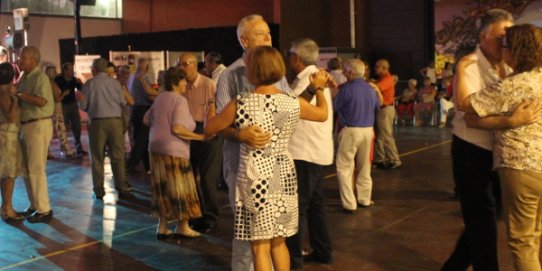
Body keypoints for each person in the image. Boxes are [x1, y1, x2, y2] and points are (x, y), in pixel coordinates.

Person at [206, 45, 328, 271]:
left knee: (259, 246)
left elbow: (210, 127)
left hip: (254, 176)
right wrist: (318, 88)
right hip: (283, 174)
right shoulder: (292, 101)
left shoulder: (241, 102)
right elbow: (322, 114)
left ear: (252, 71)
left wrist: (210, 104)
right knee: (279, 242)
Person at [441, 9, 537, 271]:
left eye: (508, 37)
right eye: (500, 37)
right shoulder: (470, 64)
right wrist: (511, 121)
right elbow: (466, 109)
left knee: (486, 218)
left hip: (499, 153)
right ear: (483, 36)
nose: (505, 42)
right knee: (482, 220)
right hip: (472, 150)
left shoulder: (509, 65)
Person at [215, 14, 291, 271]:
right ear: (244, 40)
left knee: (275, 232)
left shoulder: (276, 72)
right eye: (261, 33)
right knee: (248, 233)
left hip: (275, 168)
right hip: (243, 167)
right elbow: (218, 124)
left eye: (269, 32)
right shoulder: (231, 76)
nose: (268, 37)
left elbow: (289, 108)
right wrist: (239, 134)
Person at [285, 38, 334, 269]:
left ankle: (293, 261)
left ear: (296, 58)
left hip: (304, 152)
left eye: (289, 55)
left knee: (298, 208)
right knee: (315, 206)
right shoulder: (318, 77)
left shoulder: (309, 81)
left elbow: (291, 111)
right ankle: (323, 251)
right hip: (317, 150)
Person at [143, 67, 203, 240]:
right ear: (176, 82)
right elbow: (178, 128)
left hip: (155, 148)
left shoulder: (160, 98)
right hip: (174, 149)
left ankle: (162, 227)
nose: (186, 84)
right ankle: (182, 226)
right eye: (183, 80)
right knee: (180, 188)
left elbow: (146, 119)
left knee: (162, 187)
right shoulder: (179, 101)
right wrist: (200, 136)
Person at [177, 52, 222, 233]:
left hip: (207, 130)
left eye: (184, 65)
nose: (181, 68)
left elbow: (218, 109)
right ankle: (197, 214)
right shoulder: (180, 86)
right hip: (187, 131)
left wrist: (210, 129)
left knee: (207, 178)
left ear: (194, 65)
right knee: (189, 178)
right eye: (179, 65)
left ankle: (211, 217)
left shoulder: (209, 84)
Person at [80, 58, 131, 200]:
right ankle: (121, 187)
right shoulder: (115, 83)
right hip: (115, 122)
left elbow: (83, 106)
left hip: (97, 123)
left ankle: (99, 190)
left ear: (94, 69)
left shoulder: (90, 84)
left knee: (97, 157)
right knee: (118, 156)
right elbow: (122, 102)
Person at [335, 58, 380, 213]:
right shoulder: (370, 89)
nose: (344, 72)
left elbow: (334, 106)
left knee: (345, 167)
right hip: (368, 130)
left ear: (351, 72)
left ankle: (349, 203)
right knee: (364, 166)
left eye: (346, 69)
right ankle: (364, 198)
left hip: (351, 131)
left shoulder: (346, 89)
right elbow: (377, 107)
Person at [17, 45, 55, 223]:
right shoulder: (24, 77)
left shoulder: (40, 78)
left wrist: (20, 95)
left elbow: (42, 101)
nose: (19, 61)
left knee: (36, 168)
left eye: (22, 58)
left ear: (33, 60)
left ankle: (44, 208)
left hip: (38, 125)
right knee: (27, 169)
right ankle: (34, 204)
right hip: (27, 125)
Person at [0, 62, 24, 222]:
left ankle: (5, 207)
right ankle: (7, 208)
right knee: (9, 174)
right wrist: (16, 99)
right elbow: (11, 116)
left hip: (6, 135)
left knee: (6, 174)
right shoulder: (3, 93)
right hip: (6, 136)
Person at [126, 58, 159, 174]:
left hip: (136, 110)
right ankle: (130, 164)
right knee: (142, 139)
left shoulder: (132, 77)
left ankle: (147, 166)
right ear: (147, 66)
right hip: (144, 109)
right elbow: (151, 94)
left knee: (141, 139)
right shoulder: (144, 77)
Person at [373, 59, 401, 169]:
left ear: (384, 68)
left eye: (377, 66)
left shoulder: (387, 79)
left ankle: (395, 159)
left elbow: (377, 87)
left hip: (385, 109)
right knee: (379, 136)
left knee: (386, 135)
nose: (375, 68)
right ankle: (380, 159)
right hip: (381, 109)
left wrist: (368, 83)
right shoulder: (383, 79)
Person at [55, 62, 86, 155]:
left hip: (72, 104)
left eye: (72, 70)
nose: (72, 71)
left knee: (77, 125)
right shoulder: (58, 80)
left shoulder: (74, 80)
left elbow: (82, 89)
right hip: (62, 105)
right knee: (63, 126)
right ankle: (63, 146)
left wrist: (81, 83)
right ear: (65, 70)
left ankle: (78, 145)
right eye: (70, 69)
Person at [45, 65, 75, 158]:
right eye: (54, 71)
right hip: (57, 110)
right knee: (61, 130)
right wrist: (64, 94)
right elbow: (57, 99)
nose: (56, 73)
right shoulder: (52, 84)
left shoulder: (46, 83)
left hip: (49, 111)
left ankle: (48, 152)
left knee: (49, 133)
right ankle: (67, 150)